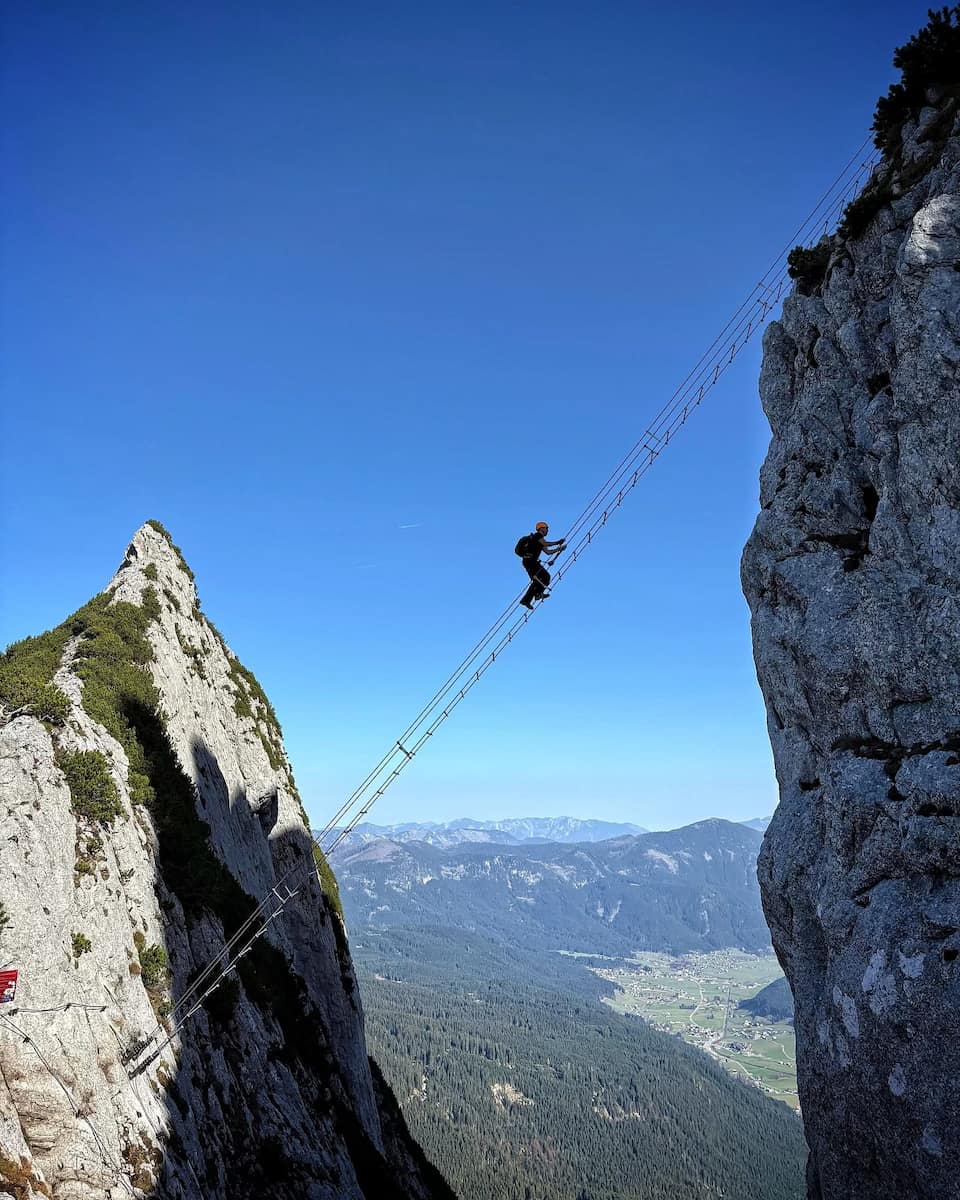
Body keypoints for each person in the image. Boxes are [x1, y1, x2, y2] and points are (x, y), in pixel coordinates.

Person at [518, 521, 566, 609]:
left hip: (532, 561)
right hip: (529, 561)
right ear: (541, 528)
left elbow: (548, 552)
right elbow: (546, 544)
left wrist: (559, 549)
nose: (547, 530)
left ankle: (537, 594)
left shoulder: (540, 540)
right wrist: (557, 542)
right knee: (539, 578)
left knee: (545, 577)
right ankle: (527, 599)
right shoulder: (537, 536)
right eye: (546, 528)